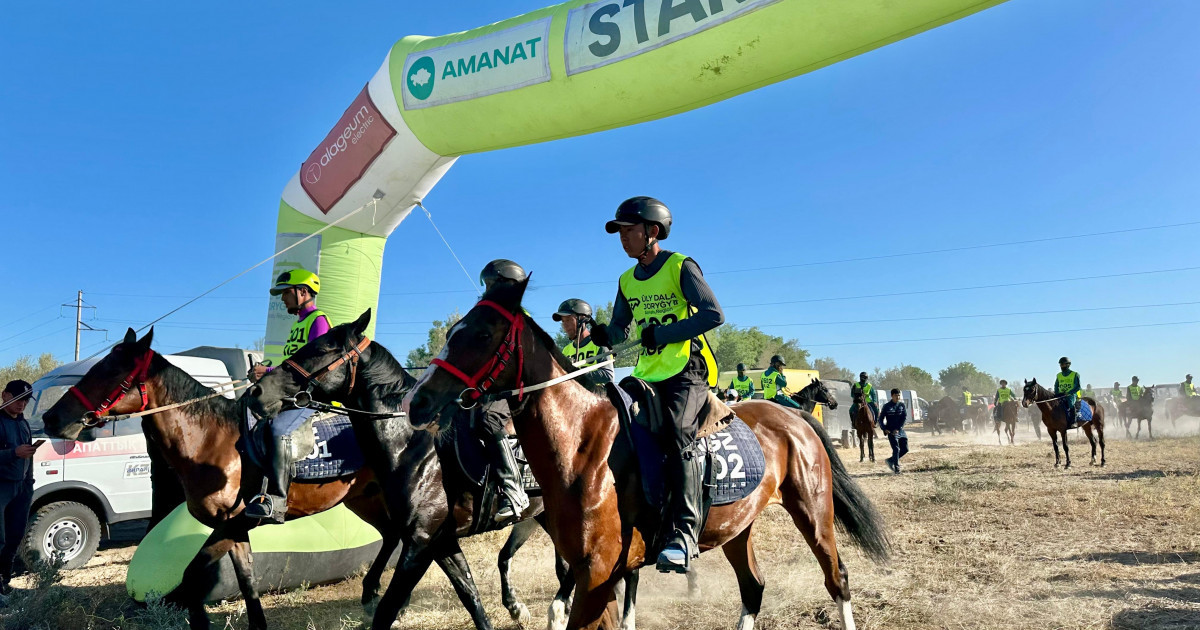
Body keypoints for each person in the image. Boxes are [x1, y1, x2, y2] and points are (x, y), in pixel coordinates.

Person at [589, 196, 723, 573]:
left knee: (680, 431)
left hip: (688, 369)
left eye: (629, 231)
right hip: (647, 373)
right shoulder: (626, 280)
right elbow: (619, 331)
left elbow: (714, 314)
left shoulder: (681, 265)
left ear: (652, 231)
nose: (623, 239)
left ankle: (684, 533)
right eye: (619, 233)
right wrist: (603, 335)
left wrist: (664, 332)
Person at [245, 268, 332, 522]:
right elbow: (292, 364)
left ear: (302, 292)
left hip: (310, 397)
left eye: (286, 293)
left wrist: (269, 371)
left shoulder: (318, 321)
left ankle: (279, 499)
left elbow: (315, 364)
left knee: (277, 431)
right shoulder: (299, 324)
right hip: (292, 393)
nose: (283, 299)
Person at [476, 259, 533, 524]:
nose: (486, 290)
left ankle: (514, 491)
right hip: (484, 387)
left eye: (490, 284)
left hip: (512, 390)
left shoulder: (521, 318)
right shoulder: (485, 313)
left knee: (489, 419)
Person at [0, 380, 39, 600]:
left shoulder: (24, 424)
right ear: (4, 395)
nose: (21, 404)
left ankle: (4, 581)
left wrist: (29, 485)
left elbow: (29, 457)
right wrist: (13, 453)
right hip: (1, 486)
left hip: (21, 488)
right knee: (0, 539)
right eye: (16, 398)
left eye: (25, 400)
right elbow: (17, 453)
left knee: (15, 536)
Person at [553, 298, 614, 385]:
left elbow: (608, 375)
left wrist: (577, 375)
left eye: (568, 320)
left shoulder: (599, 343)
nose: (565, 325)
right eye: (563, 321)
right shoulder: (566, 350)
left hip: (597, 397)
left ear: (582, 319)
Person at [878, 388, 908, 473]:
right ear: (891, 396)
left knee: (905, 449)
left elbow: (904, 418)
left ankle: (890, 460)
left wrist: (899, 429)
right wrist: (884, 429)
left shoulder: (902, 405)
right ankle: (897, 468)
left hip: (900, 430)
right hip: (891, 431)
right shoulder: (887, 406)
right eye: (896, 395)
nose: (898, 397)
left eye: (899, 395)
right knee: (896, 449)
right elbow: (880, 419)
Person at [1055, 357, 1082, 427]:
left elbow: (1078, 387)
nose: (1061, 366)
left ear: (1068, 365)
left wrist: (1070, 392)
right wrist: (1056, 394)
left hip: (1071, 394)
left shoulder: (1075, 374)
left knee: (1070, 404)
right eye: (1060, 364)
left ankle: (1074, 421)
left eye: (1063, 364)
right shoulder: (1059, 375)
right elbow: (1056, 386)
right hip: (1061, 395)